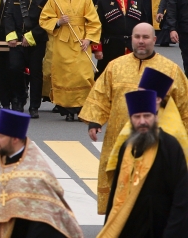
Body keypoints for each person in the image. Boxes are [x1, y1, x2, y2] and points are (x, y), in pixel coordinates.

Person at [80, 22, 188, 213]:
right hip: (119, 138)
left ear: (154, 40)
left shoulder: (170, 70)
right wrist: (95, 121)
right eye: (137, 37)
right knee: (119, 188)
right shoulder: (116, 66)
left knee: (150, 191)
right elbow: (102, 94)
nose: (141, 42)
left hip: (155, 142)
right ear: (131, 39)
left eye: (146, 37)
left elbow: (184, 106)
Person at [0, 109, 83, 238]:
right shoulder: (1, 160)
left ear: (15, 139)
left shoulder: (36, 175)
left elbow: (45, 221)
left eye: (1, 136)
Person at [99, 89, 188, 238]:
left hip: (161, 227)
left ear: (155, 117)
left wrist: (174, 232)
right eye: (137, 117)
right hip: (130, 228)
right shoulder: (126, 148)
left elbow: (182, 195)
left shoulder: (170, 147)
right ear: (131, 120)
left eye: (147, 116)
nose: (142, 121)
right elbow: (117, 194)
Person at [101, 67, 188, 203]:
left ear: (158, 99)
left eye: (144, 93)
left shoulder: (173, 129)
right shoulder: (137, 119)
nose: (139, 97)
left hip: (162, 198)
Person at [39, 0, 100, 121]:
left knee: (82, 74)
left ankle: (81, 106)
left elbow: (94, 22)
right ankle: (67, 109)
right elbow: (44, 19)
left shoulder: (86, 0)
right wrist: (58, 22)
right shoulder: (55, 0)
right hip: (62, 42)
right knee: (64, 74)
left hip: (80, 40)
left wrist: (88, 39)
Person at [95, 0, 145, 74]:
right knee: (110, 75)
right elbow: (96, 26)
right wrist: (97, 48)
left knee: (134, 74)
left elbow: (143, 22)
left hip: (133, 44)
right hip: (111, 45)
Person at [16, 0, 51, 118]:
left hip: (38, 40)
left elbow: (48, 19)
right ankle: (19, 100)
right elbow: (11, 14)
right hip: (18, 40)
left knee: (36, 73)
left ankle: (34, 106)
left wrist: (31, 36)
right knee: (16, 70)